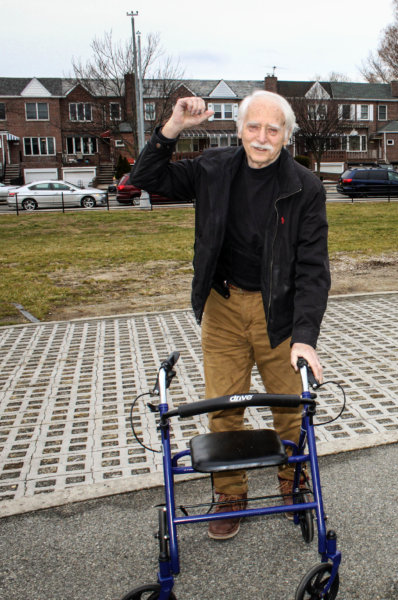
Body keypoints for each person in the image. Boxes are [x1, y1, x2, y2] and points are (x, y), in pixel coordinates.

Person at [130, 90, 330, 540]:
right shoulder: (213, 168)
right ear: (239, 129)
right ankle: (230, 493)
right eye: (253, 126)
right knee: (223, 406)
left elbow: (313, 269)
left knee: (290, 408)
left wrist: (304, 337)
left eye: (273, 129)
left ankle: (293, 482)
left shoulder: (305, 187)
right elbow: (146, 176)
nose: (261, 137)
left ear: (287, 136)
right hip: (222, 305)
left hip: (279, 311)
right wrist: (173, 127)